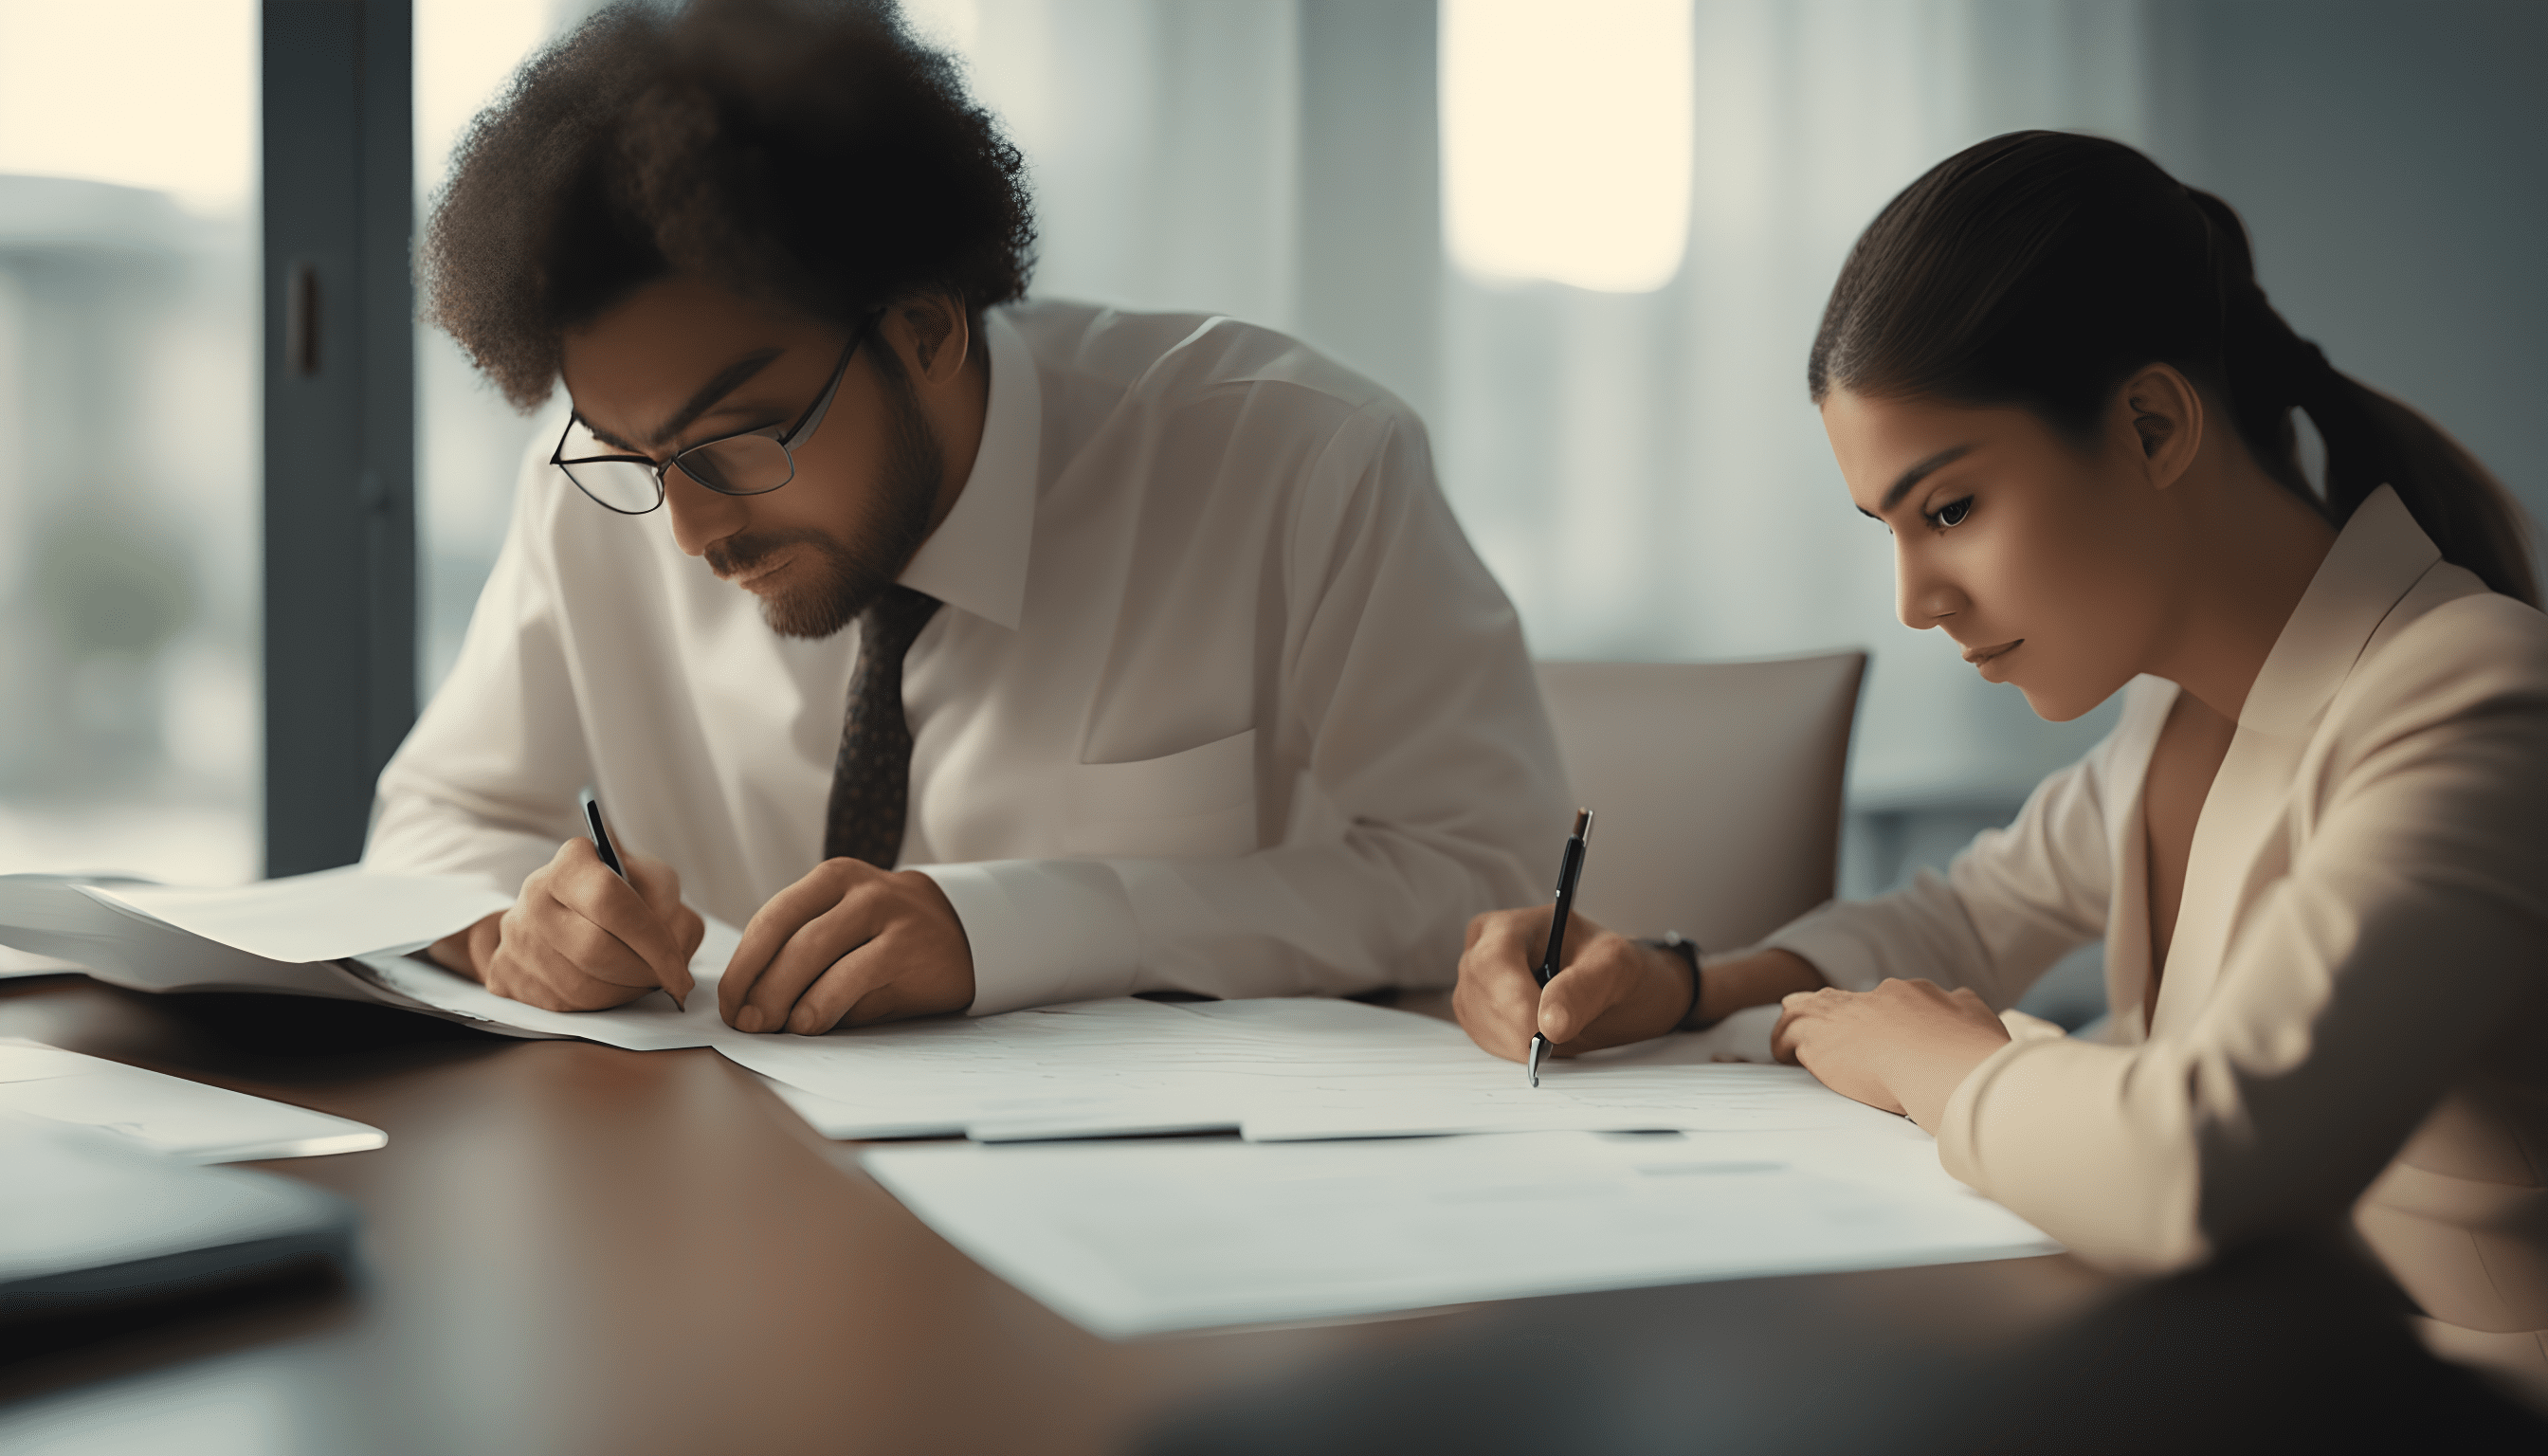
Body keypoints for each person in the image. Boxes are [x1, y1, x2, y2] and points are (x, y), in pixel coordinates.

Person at [1453, 131, 2548, 1403]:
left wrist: (1940, 1059)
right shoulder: (2182, 714)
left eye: (1951, 509)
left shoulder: (2477, 700)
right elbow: (1962, 914)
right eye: (1890, 531)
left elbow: (2204, 1161)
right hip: (2237, 1376)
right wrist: (1677, 982)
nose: (1916, 600)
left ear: (2150, 424)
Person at [368, 0, 1566, 1034]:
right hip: (714, 1204)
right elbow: (436, 818)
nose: (684, 529)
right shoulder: (586, 497)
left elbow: (1484, 875)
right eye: (635, 452)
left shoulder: (1300, 466)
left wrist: (1033, 923)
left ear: (927, 329)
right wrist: (507, 927)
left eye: (740, 440)